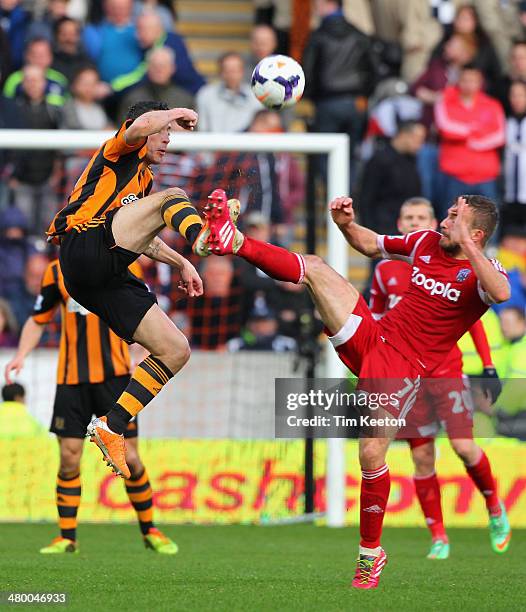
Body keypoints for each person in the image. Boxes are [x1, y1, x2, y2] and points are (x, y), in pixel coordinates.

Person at [201, 189, 511, 589]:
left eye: (454, 217)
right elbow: (370, 244)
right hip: (374, 338)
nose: (444, 222)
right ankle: (234, 240)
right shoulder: (424, 243)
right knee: (314, 267)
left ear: (478, 234)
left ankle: (371, 553)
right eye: (448, 214)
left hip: (404, 371)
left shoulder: (485, 272)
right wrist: (346, 224)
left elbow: (501, 295)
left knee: (371, 452)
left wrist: (469, 245)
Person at [45, 100, 220, 480]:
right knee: (175, 196)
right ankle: (204, 236)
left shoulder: (143, 182)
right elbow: (141, 124)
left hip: (103, 271)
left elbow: (140, 239)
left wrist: (183, 263)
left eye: (170, 133)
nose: (168, 140)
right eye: (165, 132)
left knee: (176, 349)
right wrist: (173, 112)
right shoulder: (117, 150)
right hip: (84, 246)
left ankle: (112, 426)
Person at [4, 258, 178, 554]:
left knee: (132, 458)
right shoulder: (56, 271)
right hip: (72, 379)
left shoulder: (124, 263)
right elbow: (38, 318)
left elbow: (145, 313)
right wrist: (21, 354)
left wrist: (147, 347)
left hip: (116, 377)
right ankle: (67, 537)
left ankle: (151, 530)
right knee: (69, 458)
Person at [369, 196, 503, 560]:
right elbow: (377, 317)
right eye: (408, 217)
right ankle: (439, 536)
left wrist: (488, 366)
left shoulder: (459, 260)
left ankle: (493, 506)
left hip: (445, 370)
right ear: (400, 222)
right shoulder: (386, 271)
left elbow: (472, 319)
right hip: (404, 372)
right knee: (422, 459)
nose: (416, 223)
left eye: (422, 217)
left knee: (463, 446)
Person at [435, 63, 505, 216]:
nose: (469, 84)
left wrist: (477, 142)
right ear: (458, 80)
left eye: (473, 80)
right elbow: (445, 127)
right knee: (450, 223)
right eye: (465, 80)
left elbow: (500, 135)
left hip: (486, 176)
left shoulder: (492, 104)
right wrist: (476, 129)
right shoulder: (446, 99)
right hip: (454, 174)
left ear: (481, 82)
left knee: (488, 225)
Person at [358, 121, 425, 235]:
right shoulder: (379, 160)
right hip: (384, 228)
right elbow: (366, 197)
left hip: (407, 228)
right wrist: (370, 231)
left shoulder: (411, 160)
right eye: (417, 139)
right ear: (403, 135)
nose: (420, 145)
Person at [117, 47, 194, 124]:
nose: (159, 70)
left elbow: (195, 132)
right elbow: (123, 130)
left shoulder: (185, 99)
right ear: (147, 68)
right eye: (155, 66)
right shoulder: (133, 98)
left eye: (163, 66)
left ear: (172, 68)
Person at [196, 52, 261, 133]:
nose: (231, 75)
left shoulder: (255, 95)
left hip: (246, 144)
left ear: (242, 72)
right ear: (220, 72)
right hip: (214, 144)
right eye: (227, 70)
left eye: (235, 70)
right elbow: (202, 129)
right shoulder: (206, 94)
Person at [3, 37, 68, 106]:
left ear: (50, 57)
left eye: (42, 55)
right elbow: (5, 106)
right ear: (26, 56)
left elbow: (68, 107)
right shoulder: (15, 80)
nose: (38, 59)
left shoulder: (59, 79)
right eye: (34, 55)